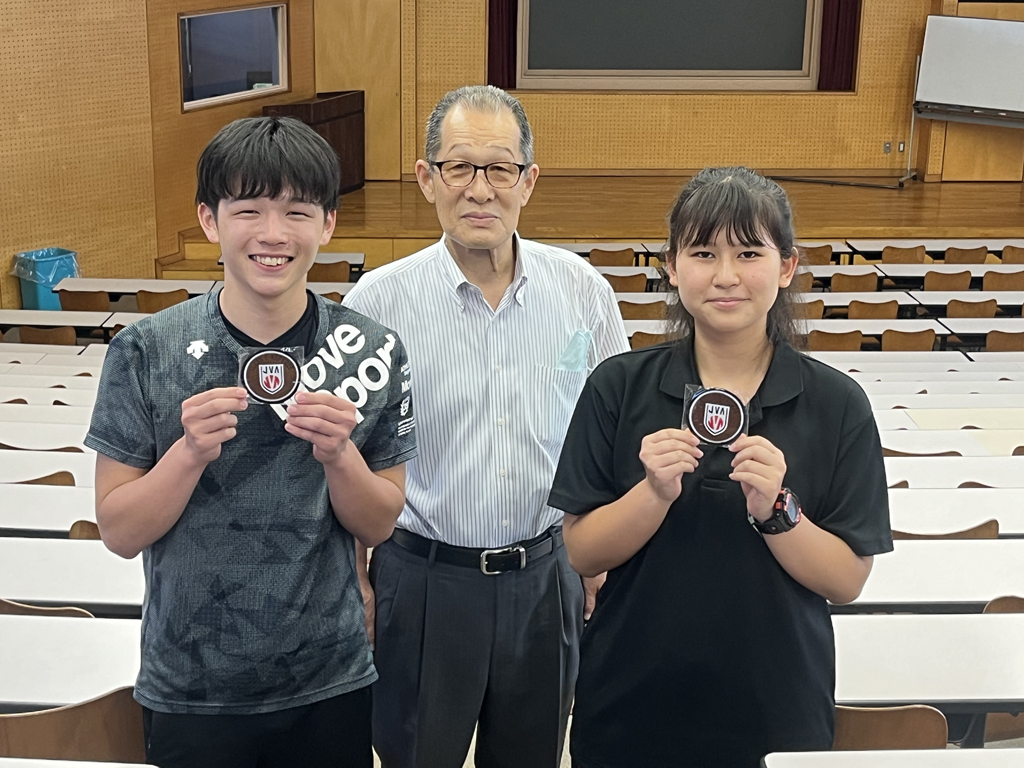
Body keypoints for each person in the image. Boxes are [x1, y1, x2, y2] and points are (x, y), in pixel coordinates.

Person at [85, 116, 416, 768]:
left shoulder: (372, 349)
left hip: (329, 679)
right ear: (210, 221)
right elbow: (120, 531)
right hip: (191, 684)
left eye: (297, 211)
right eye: (248, 209)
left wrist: (339, 455)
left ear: (326, 224)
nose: (273, 233)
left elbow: (380, 522)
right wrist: (187, 453)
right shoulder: (145, 351)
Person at [548, 167, 893, 768]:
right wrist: (652, 493)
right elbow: (580, 552)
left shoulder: (837, 405)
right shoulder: (618, 386)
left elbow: (847, 581)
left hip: (776, 706)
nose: (726, 275)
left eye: (749, 252)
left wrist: (777, 512)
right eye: (704, 253)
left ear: (785, 268)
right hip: (631, 703)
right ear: (673, 268)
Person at [343, 84, 630, 768]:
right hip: (421, 582)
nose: (481, 189)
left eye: (500, 168)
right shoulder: (377, 303)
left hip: (546, 576)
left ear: (528, 181)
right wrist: (353, 576)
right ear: (426, 179)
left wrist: (598, 559)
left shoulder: (582, 290)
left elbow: (612, 435)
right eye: (459, 167)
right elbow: (341, 457)